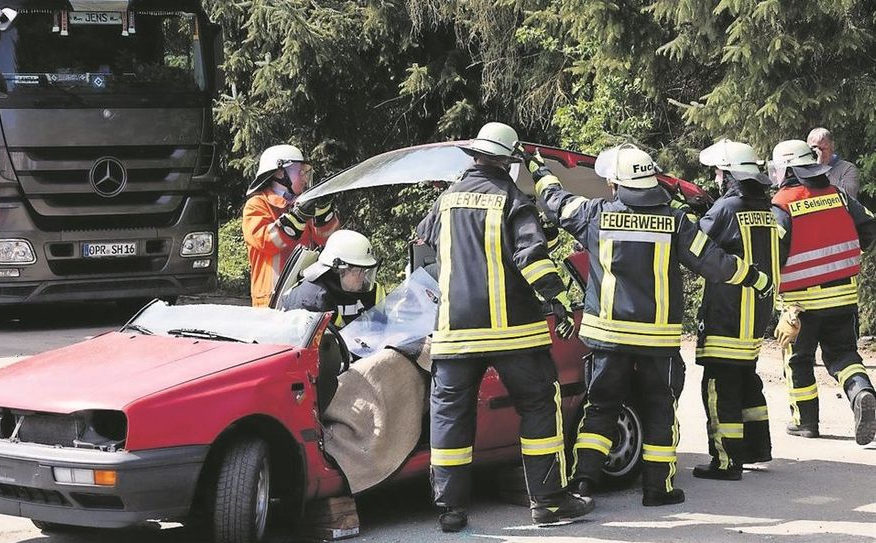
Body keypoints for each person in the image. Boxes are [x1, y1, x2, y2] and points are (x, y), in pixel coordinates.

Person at [530, 143, 773, 506]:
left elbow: (557, 201)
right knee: (660, 409)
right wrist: (754, 277)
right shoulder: (674, 220)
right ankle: (658, 489)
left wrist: (539, 171)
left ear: (616, 184)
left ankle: (583, 483)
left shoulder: (596, 214)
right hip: (657, 339)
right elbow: (713, 261)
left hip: (608, 336)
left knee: (600, 408)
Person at [416, 122, 593, 532]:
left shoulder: (445, 200)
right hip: (513, 332)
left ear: (476, 157)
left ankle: (451, 510)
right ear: (511, 162)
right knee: (538, 406)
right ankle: (548, 503)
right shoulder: (513, 199)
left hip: (455, 332)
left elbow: (424, 240)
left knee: (450, 416)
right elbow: (531, 257)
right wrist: (559, 301)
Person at [769, 139, 876, 445]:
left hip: (800, 304)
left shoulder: (782, 203)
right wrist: (846, 260)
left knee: (798, 360)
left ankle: (806, 422)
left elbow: (775, 252)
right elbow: (869, 227)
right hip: (843, 295)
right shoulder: (838, 195)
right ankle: (861, 392)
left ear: (786, 168)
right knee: (844, 355)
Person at [692, 140, 784, 481]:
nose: (715, 177)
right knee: (747, 379)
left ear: (729, 174)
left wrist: (691, 215)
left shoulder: (726, 209)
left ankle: (726, 461)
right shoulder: (765, 208)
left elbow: (694, 246)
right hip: (755, 316)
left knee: (719, 387)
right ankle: (757, 448)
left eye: (718, 171)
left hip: (727, 314)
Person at [242, 144, 339, 306]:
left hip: (304, 294)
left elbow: (328, 241)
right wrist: (298, 216)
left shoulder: (304, 203)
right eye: (298, 171)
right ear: (280, 173)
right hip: (271, 298)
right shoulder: (257, 204)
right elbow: (267, 242)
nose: (304, 177)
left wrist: (324, 210)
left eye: (305, 171)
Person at [279, 229, 384, 327]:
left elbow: (386, 325)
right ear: (339, 270)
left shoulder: (363, 289)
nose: (362, 277)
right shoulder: (312, 300)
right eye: (358, 271)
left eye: (365, 271)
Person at [806, 127, 860, 199]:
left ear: (832, 147)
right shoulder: (803, 170)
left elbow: (849, 194)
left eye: (824, 148)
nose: (819, 153)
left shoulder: (848, 169)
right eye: (815, 149)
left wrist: (820, 169)